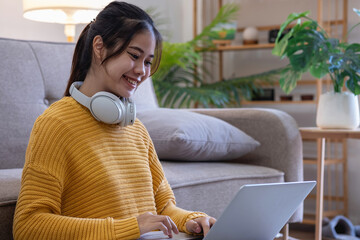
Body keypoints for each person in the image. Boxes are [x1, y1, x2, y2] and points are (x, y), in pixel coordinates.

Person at [13, 1, 216, 239]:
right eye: (134, 55)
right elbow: (28, 226)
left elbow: (164, 208)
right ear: (99, 47)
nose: (142, 71)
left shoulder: (136, 129)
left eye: (148, 61)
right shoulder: (56, 124)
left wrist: (192, 220)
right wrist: (131, 227)